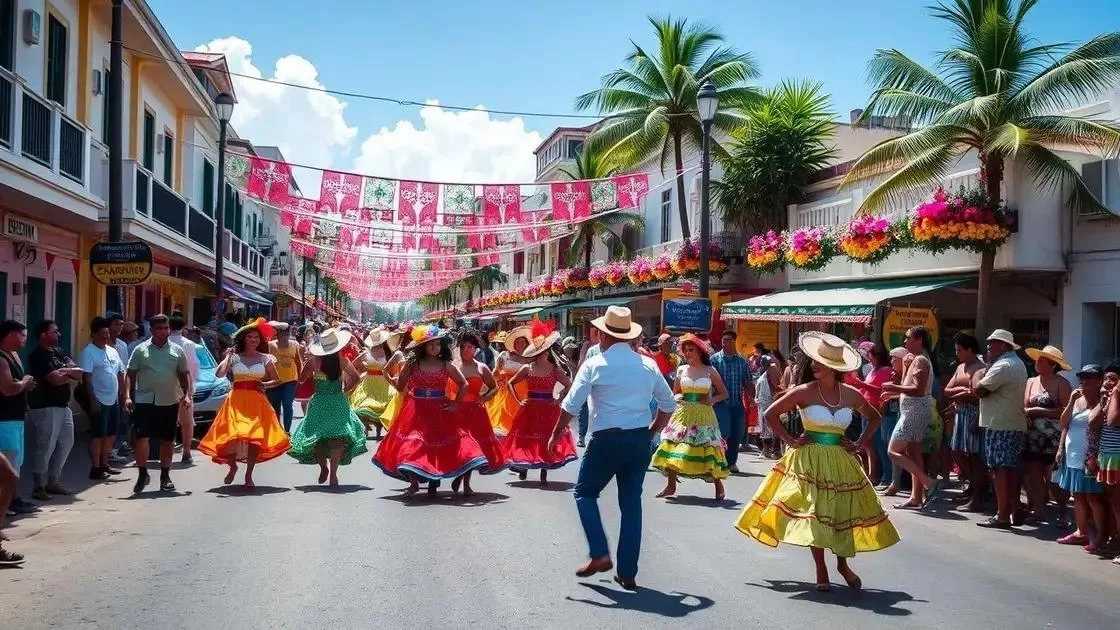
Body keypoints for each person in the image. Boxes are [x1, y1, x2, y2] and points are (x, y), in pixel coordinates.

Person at [734, 332, 899, 591]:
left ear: (835, 367)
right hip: (808, 460)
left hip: (841, 462)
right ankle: (821, 568)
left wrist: (858, 444)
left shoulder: (851, 394)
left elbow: (875, 418)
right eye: (814, 361)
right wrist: (790, 440)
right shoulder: (804, 391)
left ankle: (842, 565)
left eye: (821, 362)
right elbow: (770, 414)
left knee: (840, 513)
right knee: (816, 514)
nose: (815, 366)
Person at [554, 306, 675, 590]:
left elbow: (571, 405)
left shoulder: (595, 364)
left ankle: (599, 553)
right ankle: (628, 572)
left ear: (604, 336)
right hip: (638, 440)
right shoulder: (647, 364)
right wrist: (652, 431)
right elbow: (668, 404)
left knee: (584, 494)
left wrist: (555, 433)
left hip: (606, 440)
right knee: (631, 504)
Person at [373, 325, 488, 496]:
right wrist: (390, 378)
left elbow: (464, 383)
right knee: (413, 445)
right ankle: (414, 483)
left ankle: (435, 480)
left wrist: (455, 403)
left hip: (440, 409)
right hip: (416, 409)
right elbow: (400, 387)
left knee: (437, 446)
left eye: (437, 344)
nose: (435, 348)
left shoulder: (446, 365)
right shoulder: (412, 365)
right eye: (430, 345)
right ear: (423, 347)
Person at [198, 319, 290, 488]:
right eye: (250, 337)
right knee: (233, 435)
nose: (254, 340)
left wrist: (264, 385)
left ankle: (249, 474)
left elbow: (276, 380)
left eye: (256, 337)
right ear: (243, 339)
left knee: (254, 437)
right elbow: (219, 374)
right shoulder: (234, 357)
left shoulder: (266, 358)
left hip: (257, 401)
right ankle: (232, 466)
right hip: (236, 400)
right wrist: (228, 357)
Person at [651, 333, 730, 500]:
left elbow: (723, 394)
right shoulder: (681, 369)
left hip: (704, 414)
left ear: (699, 351)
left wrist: (711, 400)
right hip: (683, 413)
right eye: (685, 350)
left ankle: (718, 485)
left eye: (691, 350)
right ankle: (671, 485)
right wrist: (678, 398)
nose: (687, 353)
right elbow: (675, 393)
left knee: (707, 447)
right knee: (673, 445)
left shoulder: (710, 370)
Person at [288, 328, 367, 486]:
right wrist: (346, 390)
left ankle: (325, 468)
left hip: (320, 402)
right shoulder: (342, 361)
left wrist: (303, 366)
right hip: (337, 401)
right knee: (336, 438)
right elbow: (356, 378)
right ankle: (332, 473)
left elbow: (302, 379)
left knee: (315, 438)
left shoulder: (314, 361)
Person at [503, 320, 577, 485]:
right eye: (540, 351)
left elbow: (569, 384)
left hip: (548, 408)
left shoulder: (555, 369)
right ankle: (524, 466)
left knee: (545, 438)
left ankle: (544, 472)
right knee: (527, 439)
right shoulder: (527, 368)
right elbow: (510, 384)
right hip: (530, 407)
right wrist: (518, 401)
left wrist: (559, 399)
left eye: (545, 350)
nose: (543, 353)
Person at [124, 314, 192, 493]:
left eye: (166, 328)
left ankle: (165, 476)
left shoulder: (177, 350)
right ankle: (142, 473)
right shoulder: (140, 350)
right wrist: (127, 397)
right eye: (160, 329)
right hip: (145, 400)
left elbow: (184, 375)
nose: (164, 332)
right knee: (142, 438)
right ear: (152, 330)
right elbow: (129, 374)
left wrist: (187, 395)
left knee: (167, 441)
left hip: (169, 399)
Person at [882, 326, 942, 509]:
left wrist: (894, 388)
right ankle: (916, 497)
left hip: (914, 413)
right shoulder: (916, 360)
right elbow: (912, 389)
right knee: (913, 454)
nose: (905, 342)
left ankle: (929, 483)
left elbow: (918, 390)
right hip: (913, 411)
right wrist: (895, 394)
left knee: (893, 451)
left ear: (919, 340)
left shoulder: (921, 361)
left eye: (908, 338)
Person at [974, 329, 1029, 529]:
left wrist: (978, 374)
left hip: (1000, 424)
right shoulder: (1017, 363)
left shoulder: (1003, 365)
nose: (988, 346)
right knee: (1009, 469)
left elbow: (979, 389)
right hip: (1010, 422)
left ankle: (1002, 515)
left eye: (993, 343)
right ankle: (1013, 509)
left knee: (1000, 470)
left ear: (1004, 346)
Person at [26, 320, 82, 500]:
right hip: (45, 406)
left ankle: (54, 481)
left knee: (67, 442)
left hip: (63, 406)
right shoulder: (38, 356)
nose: (59, 334)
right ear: (44, 334)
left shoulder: (59, 352)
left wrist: (64, 372)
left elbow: (79, 372)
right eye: (55, 331)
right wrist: (69, 373)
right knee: (46, 446)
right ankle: (39, 486)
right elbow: (55, 380)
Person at [1055, 365, 1108, 550]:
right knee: (1077, 495)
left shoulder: (1102, 401)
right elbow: (1064, 424)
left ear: (1099, 381)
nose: (1084, 382)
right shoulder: (1076, 400)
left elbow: (1093, 422)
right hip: (1073, 456)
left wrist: (1100, 400)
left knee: (1093, 497)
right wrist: (1071, 402)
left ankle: (1101, 536)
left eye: (1089, 378)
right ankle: (1081, 531)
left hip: (1090, 457)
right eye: (1082, 378)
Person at [447, 331, 506, 495]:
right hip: (455, 413)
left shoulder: (481, 367)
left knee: (473, 448)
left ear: (476, 349)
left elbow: (494, 387)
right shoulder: (452, 366)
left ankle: (465, 482)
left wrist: (484, 398)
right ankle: (458, 474)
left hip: (475, 413)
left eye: (470, 347)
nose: (466, 350)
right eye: (463, 346)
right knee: (458, 447)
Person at [1022, 345, 1072, 524]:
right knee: (1034, 474)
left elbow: (1066, 411)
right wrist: (1030, 412)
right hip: (1032, 435)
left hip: (1053, 436)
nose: (1038, 363)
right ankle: (1039, 511)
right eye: (1038, 359)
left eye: (1043, 360)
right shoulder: (1031, 381)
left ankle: (1063, 510)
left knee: (1053, 477)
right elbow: (1024, 405)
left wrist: (1038, 411)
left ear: (1053, 365)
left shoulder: (1062, 383)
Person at [943, 333, 987, 511]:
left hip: (973, 413)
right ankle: (974, 485)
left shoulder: (980, 368)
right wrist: (962, 390)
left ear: (970, 350)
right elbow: (947, 390)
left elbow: (976, 393)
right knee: (956, 451)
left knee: (975, 456)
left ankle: (978, 495)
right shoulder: (960, 367)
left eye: (959, 350)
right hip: (959, 413)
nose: (957, 353)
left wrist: (962, 392)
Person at [78, 317, 126, 480]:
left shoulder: (112, 350)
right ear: (93, 335)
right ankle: (96, 467)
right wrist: (92, 400)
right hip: (99, 400)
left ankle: (105, 463)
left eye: (107, 333)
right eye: (102, 333)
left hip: (113, 399)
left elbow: (121, 372)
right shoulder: (88, 352)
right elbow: (87, 378)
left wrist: (123, 395)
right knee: (98, 435)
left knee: (111, 434)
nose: (105, 336)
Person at [0, 321, 37, 524]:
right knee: (8, 465)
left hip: (15, 418)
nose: (24, 339)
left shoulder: (13, 355)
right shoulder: (1, 359)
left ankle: (13, 500)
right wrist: (23, 383)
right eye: (22, 335)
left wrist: (24, 385)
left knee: (17, 462)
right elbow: (6, 388)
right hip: (4, 420)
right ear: (12, 334)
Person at [710, 330, 752, 473]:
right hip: (720, 403)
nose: (725, 343)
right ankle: (720, 460)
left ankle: (731, 462)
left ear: (734, 341)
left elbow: (747, 382)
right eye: (723, 340)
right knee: (723, 432)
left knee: (737, 433)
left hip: (737, 402)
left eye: (728, 340)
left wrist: (751, 399)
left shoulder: (742, 361)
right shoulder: (714, 360)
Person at [349, 327, 396, 440]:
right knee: (364, 405)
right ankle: (365, 428)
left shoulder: (390, 353)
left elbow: (393, 371)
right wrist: (362, 369)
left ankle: (378, 429)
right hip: (368, 384)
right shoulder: (366, 353)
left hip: (384, 383)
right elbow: (352, 364)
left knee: (383, 406)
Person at [485, 325, 531, 436]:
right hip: (505, 390)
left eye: (523, 341)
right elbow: (494, 374)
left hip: (525, 389)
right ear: (513, 343)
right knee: (505, 418)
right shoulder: (504, 355)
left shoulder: (530, 356)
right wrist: (498, 373)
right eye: (518, 341)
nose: (521, 343)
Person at [168, 314, 200, 464]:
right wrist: (192, 385)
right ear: (183, 327)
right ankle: (186, 451)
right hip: (184, 386)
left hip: (166, 386)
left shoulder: (163, 342)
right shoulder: (188, 344)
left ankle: (168, 448)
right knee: (187, 421)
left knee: (167, 419)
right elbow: (193, 366)